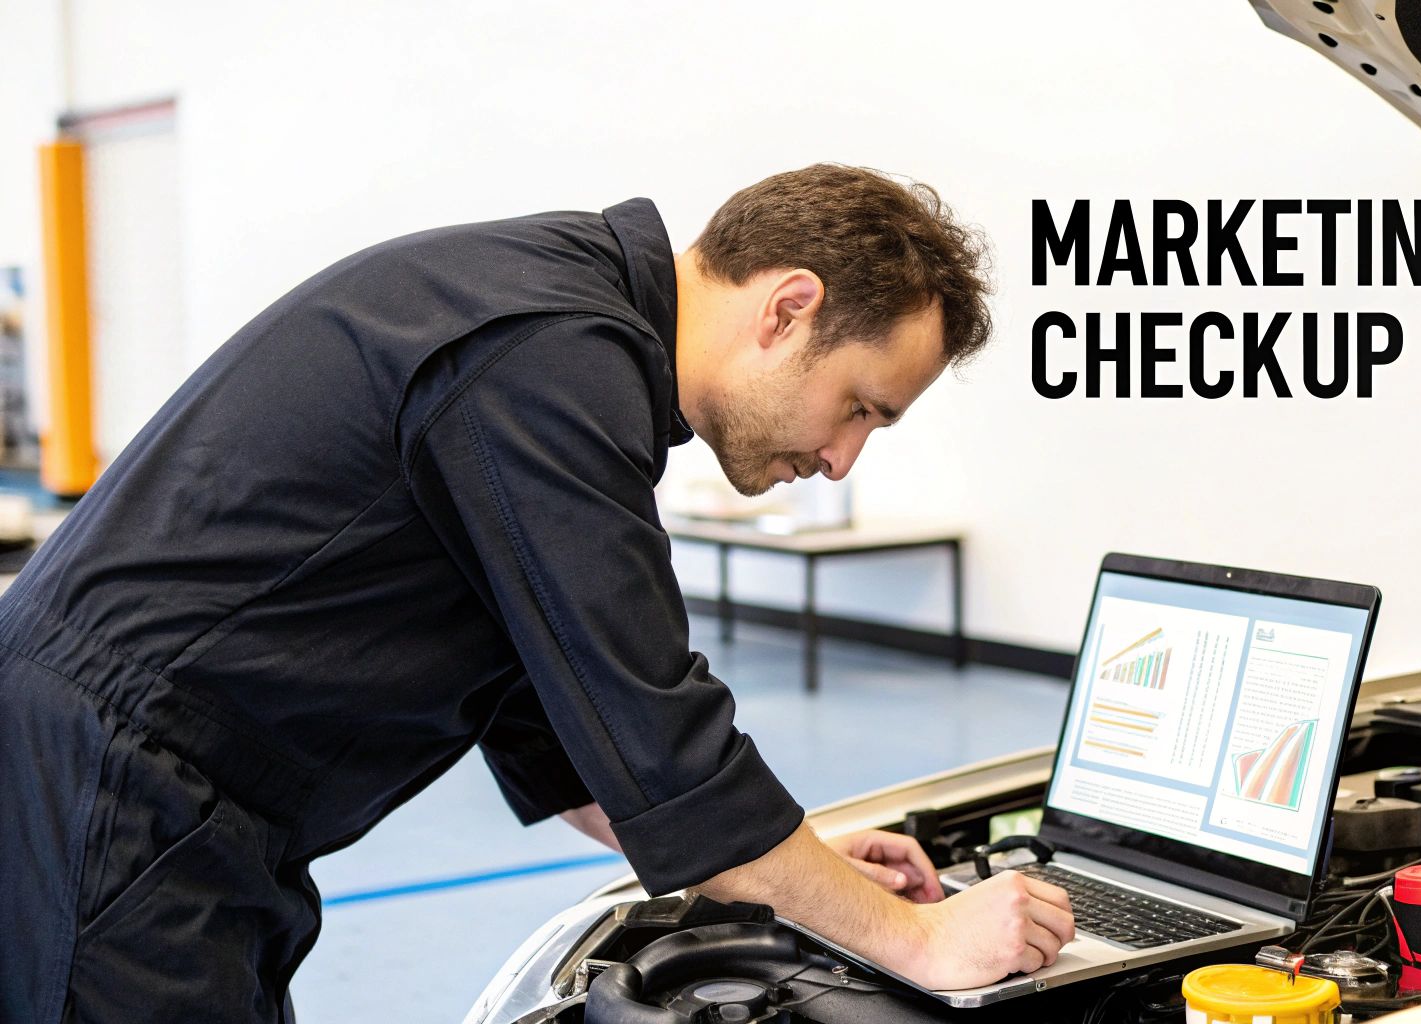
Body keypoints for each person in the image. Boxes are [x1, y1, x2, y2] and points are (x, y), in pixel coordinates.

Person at [0, 164, 1074, 1024]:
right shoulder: (550, 356)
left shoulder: (555, 321)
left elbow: (564, 728)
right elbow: (660, 739)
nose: (842, 460)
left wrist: (801, 866)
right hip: (117, 791)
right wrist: (918, 940)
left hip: (147, 788)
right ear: (787, 310)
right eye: (858, 408)